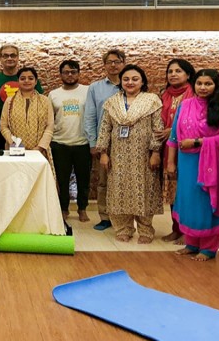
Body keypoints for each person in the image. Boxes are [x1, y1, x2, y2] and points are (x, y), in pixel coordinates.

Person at [165, 69, 219, 261]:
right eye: (199, 83)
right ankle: (192, 243)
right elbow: (174, 135)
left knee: (206, 202)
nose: (203, 87)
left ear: (216, 85)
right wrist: (170, 162)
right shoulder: (185, 104)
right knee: (189, 201)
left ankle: (209, 248)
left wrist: (198, 142)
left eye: (208, 84)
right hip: (187, 162)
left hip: (212, 163)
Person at [96, 64, 164, 243]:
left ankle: (145, 230)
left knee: (145, 190)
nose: (130, 82)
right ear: (121, 82)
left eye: (135, 79)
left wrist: (155, 152)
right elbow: (104, 129)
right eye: (126, 79)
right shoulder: (112, 102)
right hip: (117, 155)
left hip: (143, 156)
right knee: (119, 191)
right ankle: (124, 228)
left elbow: (158, 128)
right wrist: (104, 152)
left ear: (142, 81)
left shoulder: (152, 101)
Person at [83, 48, 126, 230]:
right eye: (110, 62)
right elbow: (90, 116)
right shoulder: (95, 88)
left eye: (117, 61)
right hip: (104, 142)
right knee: (103, 182)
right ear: (105, 65)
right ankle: (105, 217)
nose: (113, 65)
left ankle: (125, 217)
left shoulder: (131, 84)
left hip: (128, 142)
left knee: (126, 180)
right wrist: (93, 143)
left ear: (124, 63)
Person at [156, 58, 196, 243]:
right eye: (170, 71)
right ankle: (176, 228)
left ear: (188, 75)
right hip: (168, 151)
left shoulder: (195, 94)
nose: (173, 74)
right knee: (173, 190)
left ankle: (190, 232)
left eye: (178, 71)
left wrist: (171, 130)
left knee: (188, 191)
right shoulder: (164, 95)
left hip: (190, 151)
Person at [49, 60, 91, 222]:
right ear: (60, 75)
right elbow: (50, 120)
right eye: (66, 72)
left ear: (79, 73)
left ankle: (82, 209)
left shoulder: (88, 91)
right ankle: (64, 209)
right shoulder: (53, 94)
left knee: (83, 179)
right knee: (62, 179)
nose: (70, 75)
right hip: (59, 143)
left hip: (83, 143)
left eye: (73, 71)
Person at [0, 44, 43, 151]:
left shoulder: (28, 79)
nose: (9, 58)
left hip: (28, 130)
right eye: (5, 56)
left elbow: (39, 102)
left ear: (18, 57)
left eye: (13, 55)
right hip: (1, 130)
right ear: (0, 58)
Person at [0, 67, 54, 159]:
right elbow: (3, 126)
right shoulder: (10, 101)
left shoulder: (45, 101)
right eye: (23, 78)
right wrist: (14, 143)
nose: (26, 81)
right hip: (15, 151)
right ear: (18, 81)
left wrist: (39, 148)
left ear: (36, 81)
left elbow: (50, 126)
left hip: (40, 152)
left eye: (31, 78)